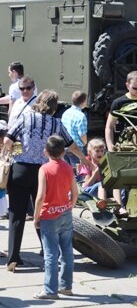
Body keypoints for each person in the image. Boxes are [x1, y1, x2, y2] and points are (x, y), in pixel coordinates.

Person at [3, 90, 90, 272]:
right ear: (54, 106)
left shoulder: (25, 118)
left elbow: (8, 138)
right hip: (44, 172)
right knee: (44, 211)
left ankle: (13, 258)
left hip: (20, 170)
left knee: (16, 214)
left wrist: (8, 154)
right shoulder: (56, 124)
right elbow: (70, 144)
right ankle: (47, 251)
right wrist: (83, 159)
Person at [33, 135, 77, 299]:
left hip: (49, 215)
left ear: (46, 152)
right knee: (67, 251)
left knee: (51, 254)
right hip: (65, 213)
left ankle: (50, 290)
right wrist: (69, 206)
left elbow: (40, 196)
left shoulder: (44, 169)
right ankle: (66, 286)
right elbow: (75, 191)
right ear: (63, 152)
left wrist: (36, 216)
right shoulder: (68, 167)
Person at [105, 71, 137, 215]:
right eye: (135, 88)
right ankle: (120, 207)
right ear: (127, 85)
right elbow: (109, 126)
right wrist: (110, 147)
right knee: (119, 176)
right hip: (124, 145)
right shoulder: (119, 103)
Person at [61, 91, 88, 170]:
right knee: (78, 173)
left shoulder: (66, 112)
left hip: (65, 146)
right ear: (83, 102)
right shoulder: (81, 116)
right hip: (76, 148)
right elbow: (82, 134)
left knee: (67, 172)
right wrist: (84, 143)